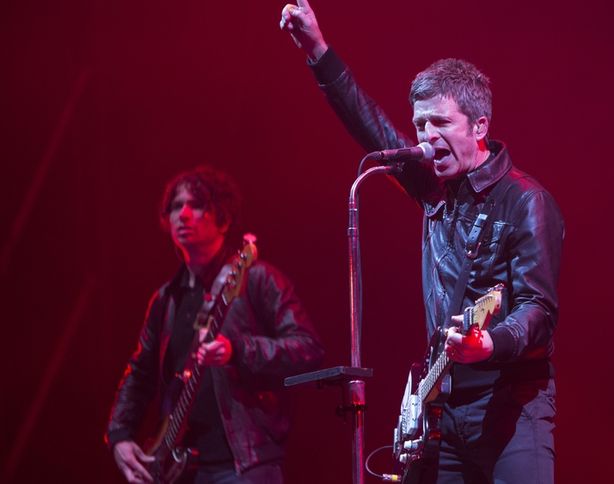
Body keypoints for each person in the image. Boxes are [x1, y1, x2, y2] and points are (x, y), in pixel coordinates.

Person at [280, 2, 564, 483]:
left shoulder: (526, 201)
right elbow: (369, 125)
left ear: (480, 126)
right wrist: (318, 50)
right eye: (420, 125)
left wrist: (491, 342)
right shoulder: (434, 189)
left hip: (512, 407)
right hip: (444, 410)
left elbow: (538, 309)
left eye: (441, 123)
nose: (427, 138)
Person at [105, 166, 324, 484]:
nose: (183, 214)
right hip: (180, 468)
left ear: (223, 218)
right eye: (176, 206)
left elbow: (308, 348)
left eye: (196, 205)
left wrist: (239, 350)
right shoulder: (166, 299)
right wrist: (120, 435)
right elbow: (139, 373)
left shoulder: (256, 279)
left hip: (244, 465)